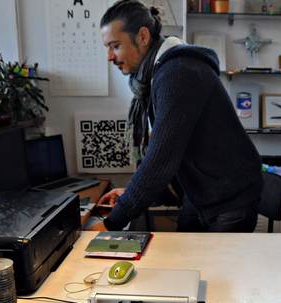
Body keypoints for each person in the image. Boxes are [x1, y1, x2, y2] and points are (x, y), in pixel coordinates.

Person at [97, 0, 263, 232]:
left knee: (207, 259)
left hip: (229, 198)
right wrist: (130, 195)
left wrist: (110, 225)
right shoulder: (160, 72)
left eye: (115, 46)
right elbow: (166, 150)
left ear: (142, 36)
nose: (109, 56)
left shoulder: (178, 73)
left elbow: (160, 158)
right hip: (200, 193)